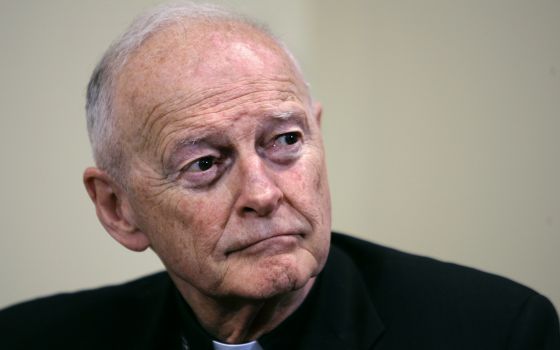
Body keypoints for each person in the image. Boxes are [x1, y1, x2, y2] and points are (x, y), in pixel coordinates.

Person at [0, 2, 558, 349]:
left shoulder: (498, 330)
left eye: (286, 141)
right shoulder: (29, 339)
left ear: (317, 134)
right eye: (204, 164)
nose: (263, 194)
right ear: (118, 209)